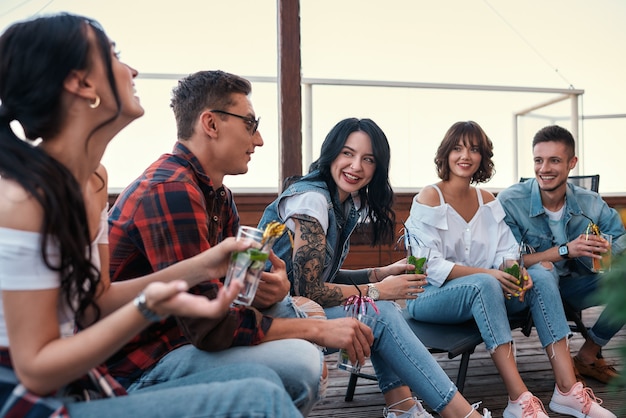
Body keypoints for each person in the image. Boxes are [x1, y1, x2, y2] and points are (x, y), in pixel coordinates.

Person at [0, 13, 302, 417]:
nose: (132, 69)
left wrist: (201, 266)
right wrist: (150, 306)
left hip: (81, 381)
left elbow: (96, 300)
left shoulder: (92, 181)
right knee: (258, 398)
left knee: (264, 382)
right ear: (81, 84)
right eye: (114, 54)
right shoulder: (23, 201)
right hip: (25, 398)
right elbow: (36, 371)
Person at [107, 70, 374, 416]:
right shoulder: (171, 191)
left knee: (297, 338)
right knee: (301, 363)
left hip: (185, 334)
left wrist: (272, 291)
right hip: (144, 362)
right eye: (250, 124)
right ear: (211, 124)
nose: (259, 139)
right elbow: (209, 329)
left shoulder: (218, 195)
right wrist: (318, 330)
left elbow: (232, 292)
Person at [259, 117, 492, 418]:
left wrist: (378, 273)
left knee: (377, 309)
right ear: (331, 152)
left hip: (297, 308)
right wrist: (378, 290)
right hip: (270, 317)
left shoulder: (344, 203)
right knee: (376, 312)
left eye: (368, 159)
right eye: (347, 153)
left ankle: (403, 407)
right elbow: (309, 289)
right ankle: (461, 415)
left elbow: (320, 276)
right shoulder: (312, 200)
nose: (356, 166)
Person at [404, 121, 615, 418]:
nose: (466, 156)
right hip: (427, 297)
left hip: (481, 292)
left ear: (482, 157)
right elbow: (430, 266)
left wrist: (518, 273)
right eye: (458, 148)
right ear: (446, 154)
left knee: (541, 274)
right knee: (485, 283)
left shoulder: (487, 201)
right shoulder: (430, 197)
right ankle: (518, 399)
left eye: (474, 149)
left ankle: (568, 390)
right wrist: (491, 275)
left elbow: (505, 252)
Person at [498, 125, 625, 385]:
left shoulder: (590, 202)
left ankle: (588, 356)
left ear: (572, 163)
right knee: (543, 270)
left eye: (554, 160)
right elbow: (505, 260)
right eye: (538, 160)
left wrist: (608, 249)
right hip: (532, 290)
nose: (544, 169)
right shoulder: (510, 202)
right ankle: (565, 370)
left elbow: (620, 236)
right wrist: (566, 250)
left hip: (576, 287)